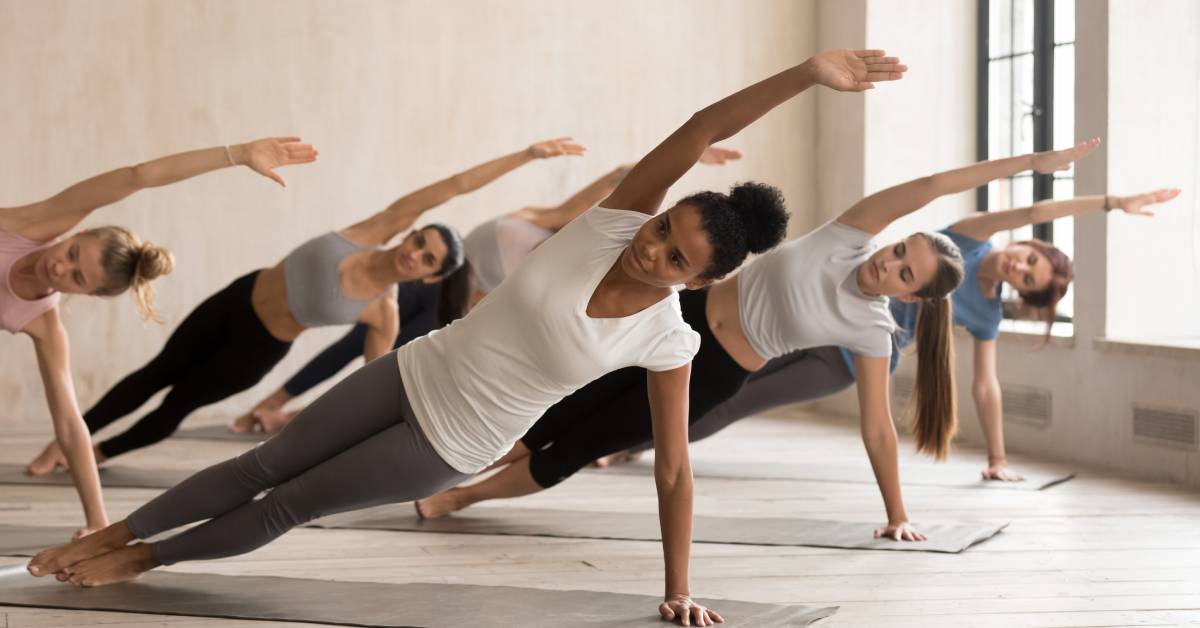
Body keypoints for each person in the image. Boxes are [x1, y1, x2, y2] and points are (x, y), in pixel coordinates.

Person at [26, 47, 904, 626]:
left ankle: (142, 560)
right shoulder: (609, 223)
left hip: (451, 444)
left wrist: (679, 587)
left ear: (700, 281)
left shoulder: (669, 341)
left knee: (286, 506)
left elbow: (673, 465)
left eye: (674, 257)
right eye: (663, 227)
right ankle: (115, 533)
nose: (653, 248)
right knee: (262, 465)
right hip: (414, 372)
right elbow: (702, 130)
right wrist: (805, 74)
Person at [415, 137, 1113, 545]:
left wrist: (897, 515)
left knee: (576, 448)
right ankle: (443, 469)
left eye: (904, 273)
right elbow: (935, 183)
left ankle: (457, 501)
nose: (888, 264)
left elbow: (875, 428)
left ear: (908, 298)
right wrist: (1035, 161)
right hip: (671, 322)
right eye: (899, 249)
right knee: (553, 405)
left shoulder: (873, 332)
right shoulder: (851, 234)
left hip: (716, 372)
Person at [26, 138, 582, 466]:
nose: (416, 254)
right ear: (409, 236)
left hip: (256, 351)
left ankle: (93, 457)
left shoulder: (382, 312)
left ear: (433, 278)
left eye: (428, 259)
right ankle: (62, 446)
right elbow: (456, 185)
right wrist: (527, 155)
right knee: (154, 373)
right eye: (420, 241)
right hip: (236, 298)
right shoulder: (373, 228)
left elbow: (371, 387)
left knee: (176, 406)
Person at [234, 148, 741, 434]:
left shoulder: (567, 267)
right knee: (355, 339)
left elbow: (512, 314)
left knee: (383, 356)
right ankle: (275, 403)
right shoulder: (549, 222)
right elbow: (614, 186)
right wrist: (682, 155)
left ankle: (293, 416)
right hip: (434, 277)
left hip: (455, 307)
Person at [6, 137, 315, 537]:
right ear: (75, 232)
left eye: (77, 277)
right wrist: (236, 155)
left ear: (89, 294)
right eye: (71, 253)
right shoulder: (34, 224)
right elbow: (138, 177)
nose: (59, 268)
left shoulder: (43, 324)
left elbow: (70, 426)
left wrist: (97, 521)